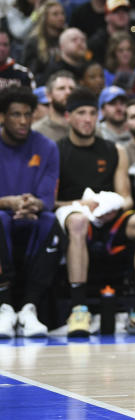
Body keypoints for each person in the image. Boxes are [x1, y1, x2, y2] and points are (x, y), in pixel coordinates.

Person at [55, 87, 135, 337]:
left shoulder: (114, 150)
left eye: (92, 113)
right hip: (73, 213)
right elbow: (49, 201)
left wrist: (111, 206)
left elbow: (127, 197)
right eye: (81, 113)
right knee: (76, 223)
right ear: (68, 117)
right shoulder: (56, 151)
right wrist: (79, 205)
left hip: (109, 215)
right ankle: (78, 309)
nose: (87, 119)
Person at [0, 86, 60, 338]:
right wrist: (8, 202)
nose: (23, 121)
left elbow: (47, 197)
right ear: (2, 116)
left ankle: (29, 307)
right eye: (15, 114)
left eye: (28, 114)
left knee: (51, 221)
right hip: (3, 215)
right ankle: (4, 306)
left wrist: (33, 204)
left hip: (32, 217)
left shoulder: (47, 147)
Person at [31, 70, 75, 143]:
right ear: (48, 95)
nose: (68, 92)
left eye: (72, 89)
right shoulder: (36, 132)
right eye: (61, 88)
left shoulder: (86, 128)